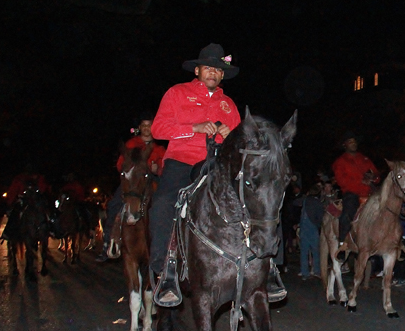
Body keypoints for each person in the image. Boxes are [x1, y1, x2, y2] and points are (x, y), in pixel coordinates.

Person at [149, 43, 284, 306]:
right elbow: (158, 128)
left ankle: (270, 267)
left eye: (218, 70)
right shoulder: (177, 93)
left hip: (219, 165)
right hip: (183, 160)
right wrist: (194, 128)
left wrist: (230, 135)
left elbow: (242, 142)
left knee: (259, 195)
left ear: (223, 75)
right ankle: (166, 270)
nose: (213, 72)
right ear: (198, 70)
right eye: (208, 67)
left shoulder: (228, 104)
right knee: (164, 203)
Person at [97, 112, 166, 261]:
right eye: (144, 125)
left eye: (150, 125)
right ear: (140, 127)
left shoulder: (159, 149)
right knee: (114, 205)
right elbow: (120, 164)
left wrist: (157, 169)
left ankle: (167, 246)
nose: (147, 128)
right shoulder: (131, 144)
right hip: (133, 182)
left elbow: (165, 166)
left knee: (165, 203)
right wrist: (131, 168)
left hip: (152, 180)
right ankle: (108, 243)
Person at [332, 134, 378, 255]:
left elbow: (376, 174)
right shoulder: (340, 162)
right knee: (347, 213)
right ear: (344, 145)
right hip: (352, 194)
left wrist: (373, 177)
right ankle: (342, 244)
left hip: (370, 193)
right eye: (350, 141)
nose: (353, 143)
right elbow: (342, 181)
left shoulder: (364, 159)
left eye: (354, 141)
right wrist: (361, 181)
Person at [297, 183, 324, 280]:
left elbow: (295, 203)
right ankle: (316, 271)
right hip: (313, 229)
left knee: (304, 252)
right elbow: (320, 218)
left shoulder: (305, 200)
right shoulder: (318, 203)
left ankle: (305, 273)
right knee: (316, 251)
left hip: (304, 229)